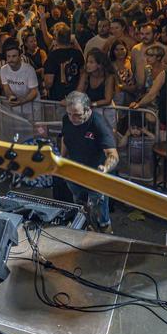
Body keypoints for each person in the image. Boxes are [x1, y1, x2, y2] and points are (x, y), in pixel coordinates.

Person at [58, 91, 118, 233]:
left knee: (101, 219)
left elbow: (113, 155)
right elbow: (65, 138)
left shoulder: (98, 123)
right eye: (69, 113)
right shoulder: (67, 119)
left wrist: (104, 168)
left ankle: (107, 244)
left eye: (77, 115)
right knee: (81, 210)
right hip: (75, 175)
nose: (72, 118)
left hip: (95, 178)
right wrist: (62, 158)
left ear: (88, 109)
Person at [43, 23, 84, 102]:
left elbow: (49, 82)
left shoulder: (53, 56)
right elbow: (83, 75)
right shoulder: (78, 54)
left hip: (57, 99)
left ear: (57, 38)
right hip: (75, 97)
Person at [0, 40, 39, 111]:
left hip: (32, 107)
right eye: (8, 56)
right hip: (16, 107)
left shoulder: (29, 70)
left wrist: (21, 101)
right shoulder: (3, 69)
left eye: (14, 56)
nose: (11, 59)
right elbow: (6, 88)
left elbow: (34, 92)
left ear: (20, 57)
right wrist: (11, 97)